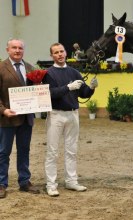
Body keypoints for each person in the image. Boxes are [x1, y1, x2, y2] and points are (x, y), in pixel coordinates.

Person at [42, 43, 98, 197]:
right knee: (52, 151)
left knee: (71, 150)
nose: (59, 54)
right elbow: (50, 93)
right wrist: (68, 88)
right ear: (52, 56)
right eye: (56, 52)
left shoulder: (74, 72)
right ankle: (51, 184)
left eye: (61, 51)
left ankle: (71, 181)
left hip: (73, 114)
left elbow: (83, 93)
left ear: (66, 53)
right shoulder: (49, 73)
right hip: (56, 114)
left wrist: (91, 88)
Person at [0, 38, 40, 198]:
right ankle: (1, 183)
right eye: (14, 48)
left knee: (24, 150)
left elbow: (36, 92)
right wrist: (3, 111)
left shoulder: (30, 68)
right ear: (7, 50)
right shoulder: (1, 68)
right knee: (3, 152)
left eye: (20, 48)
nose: (17, 51)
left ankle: (24, 181)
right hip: (7, 118)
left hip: (26, 118)